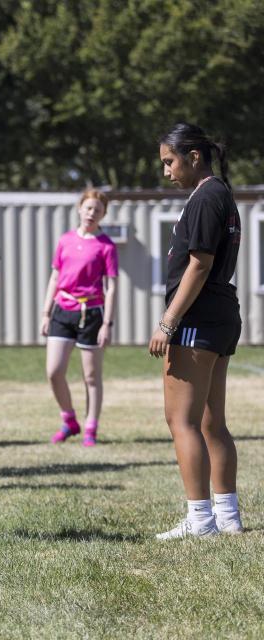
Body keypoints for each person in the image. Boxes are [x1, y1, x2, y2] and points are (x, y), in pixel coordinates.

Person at [150, 122, 243, 539]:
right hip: (221, 317)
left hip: (198, 320)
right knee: (211, 422)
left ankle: (201, 520)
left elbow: (199, 264)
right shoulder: (218, 194)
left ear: (193, 156)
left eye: (170, 161)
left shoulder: (206, 197)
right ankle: (227, 516)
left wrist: (168, 321)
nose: (167, 170)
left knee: (181, 420)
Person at [40, 189, 118, 446]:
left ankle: (91, 428)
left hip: (92, 314)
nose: (91, 213)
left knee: (91, 377)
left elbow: (111, 287)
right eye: (88, 208)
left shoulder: (106, 246)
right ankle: (70, 420)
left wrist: (107, 324)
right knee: (53, 371)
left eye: (97, 210)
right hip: (63, 311)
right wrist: (46, 312)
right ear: (79, 209)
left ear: (103, 214)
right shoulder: (65, 240)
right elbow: (54, 277)